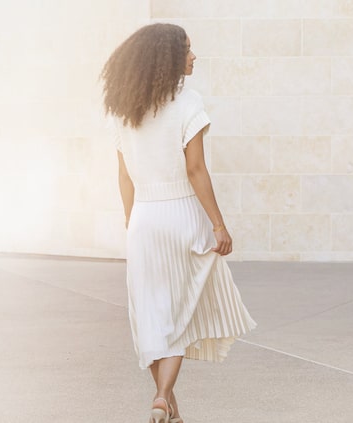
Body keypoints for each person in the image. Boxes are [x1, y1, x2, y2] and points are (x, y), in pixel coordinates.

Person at [101, 23, 256, 423]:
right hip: (181, 216)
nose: (193, 56)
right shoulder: (188, 103)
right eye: (187, 49)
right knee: (180, 315)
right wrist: (218, 225)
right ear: (168, 58)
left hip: (143, 220)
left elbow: (124, 177)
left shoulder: (124, 110)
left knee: (153, 316)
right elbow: (195, 168)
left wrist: (130, 222)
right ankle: (161, 397)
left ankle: (169, 408)